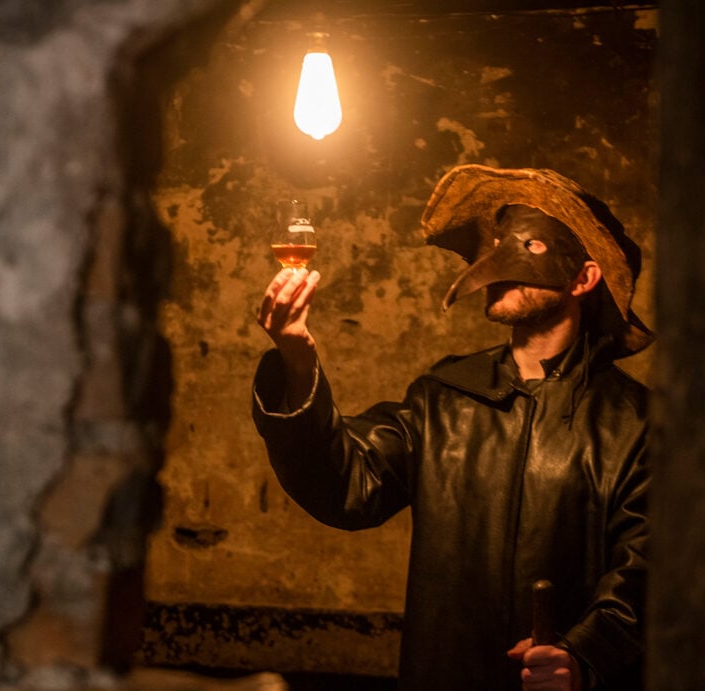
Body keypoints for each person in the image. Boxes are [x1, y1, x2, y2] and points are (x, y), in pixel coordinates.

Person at [251, 165, 653, 691]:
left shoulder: (636, 423)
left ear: (583, 278)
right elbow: (345, 485)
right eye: (494, 245)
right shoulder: (444, 398)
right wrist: (298, 360)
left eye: (528, 246)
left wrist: (584, 656)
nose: (495, 261)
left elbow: (650, 567)